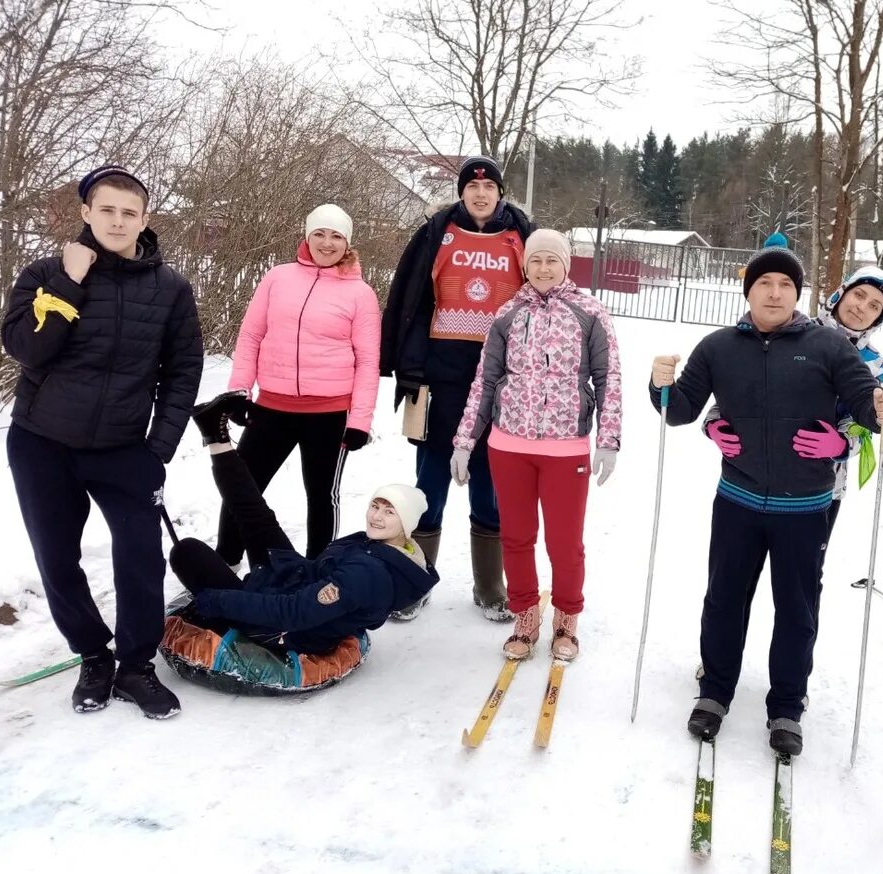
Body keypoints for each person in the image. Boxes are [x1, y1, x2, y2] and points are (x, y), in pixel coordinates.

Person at [650, 242, 883, 756]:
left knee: (797, 609)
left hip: (806, 508)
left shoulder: (832, 348)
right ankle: (715, 691)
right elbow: (678, 412)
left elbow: (866, 407)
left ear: (799, 294)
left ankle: (787, 705)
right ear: (748, 291)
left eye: (786, 284)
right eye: (765, 283)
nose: (775, 292)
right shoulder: (719, 347)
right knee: (724, 600)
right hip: (737, 500)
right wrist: (661, 387)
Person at [1, 165, 203, 719]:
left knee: (140, 556)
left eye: (128, 212)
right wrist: (69, 282)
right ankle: (93, 655)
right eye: (106, 209)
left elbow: (183, 371)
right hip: (42, 443)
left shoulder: (170, 289)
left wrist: (157, 449)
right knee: (57, 558)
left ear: (144, 219)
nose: (117, 220)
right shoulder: (45, 272)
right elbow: (27, 349)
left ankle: (136, 666)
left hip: (123, 449)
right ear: (86, 212)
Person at [450, 229, 622, 661]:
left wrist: (608, 439)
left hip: (566, 449)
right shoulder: (507, 314)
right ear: (525, 265)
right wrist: (465, 441)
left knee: (565, 542)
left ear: (566, 264)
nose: (543, 269)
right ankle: (525, 615)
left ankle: (566, 618)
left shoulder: (589, 313)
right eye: (536, 261)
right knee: (516, 536)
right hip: (509, 446)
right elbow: (485, 382)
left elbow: (609, 378)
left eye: (552, 260)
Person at [380, 156, 534, 621]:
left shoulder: (521, 237)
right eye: (472, 186)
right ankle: (416, 578)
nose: (480, 194)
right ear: (462, 191)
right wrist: (406, 366)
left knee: (490, 480)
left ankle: (489, 585)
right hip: (439, 373)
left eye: (489, 187)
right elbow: (408, 296)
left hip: (500, 376)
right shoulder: (436, 232)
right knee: (430, 480)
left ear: (500, 193)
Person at [171, 392, 438, 653]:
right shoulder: (380, 545)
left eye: (390, 512)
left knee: (187, 552)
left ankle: (223, 612)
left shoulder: (369, 574)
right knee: (256, 515)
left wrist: (210, 601)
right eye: (375, 506)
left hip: (280, 629)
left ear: (407, 523)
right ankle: (215, 436)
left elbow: (292, 613)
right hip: (294, 579)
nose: (377, 516)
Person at [218, 203, 381, 563]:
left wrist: (359, 422)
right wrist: (239, 392)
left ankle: (318, 570)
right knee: (242, 488)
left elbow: (368, 361)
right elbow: (250, 336)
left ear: (348, 243)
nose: (327, 243)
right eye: (319, 233)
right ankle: (226, 561)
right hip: (271, 407)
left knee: (321, 495)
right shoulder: (277, 278)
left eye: (336, 236)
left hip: (329, 414)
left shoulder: (360, 294)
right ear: (306, 237)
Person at [705, 242, 883, 535]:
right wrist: (714, 419)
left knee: (805, 574)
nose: (862, 307)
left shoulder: (875, 365)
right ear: (841, 293)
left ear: (880, 317)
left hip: (822, 483)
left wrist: (843, 444)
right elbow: (745, 383)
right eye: (859, 294)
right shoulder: (792, 330)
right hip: (759, 477)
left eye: (875, 306)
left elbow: (863, 424)